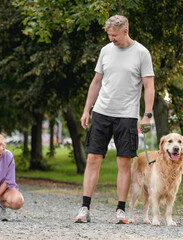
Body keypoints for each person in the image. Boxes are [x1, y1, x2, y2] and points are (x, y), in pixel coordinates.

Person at [74, 15, 155, 224]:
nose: (111, 39)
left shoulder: (142, 53)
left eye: (114, 35)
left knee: (123, 162)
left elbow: (149, 86)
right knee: (92, 159)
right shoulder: (105, 51)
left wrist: (147, 115)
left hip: (127, 115)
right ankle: (85, 208)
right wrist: (86, 109)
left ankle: (120, 210)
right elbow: (96, 82)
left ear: (126, 31)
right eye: (109, 35)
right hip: (101, 112)